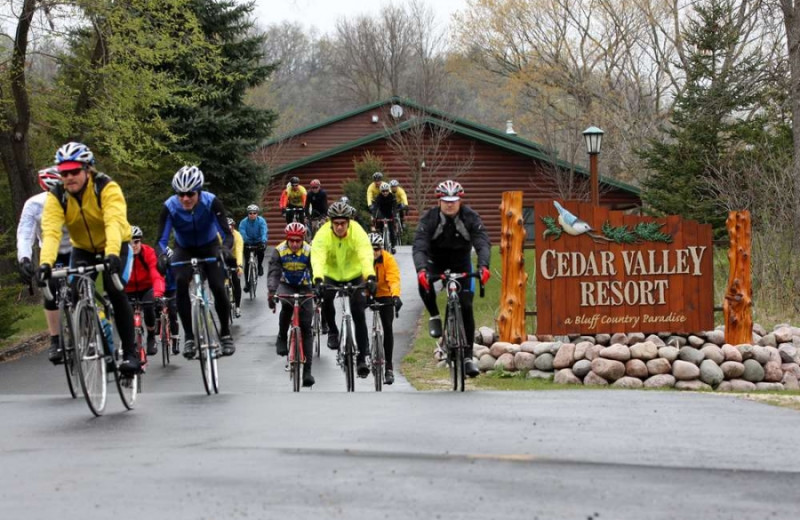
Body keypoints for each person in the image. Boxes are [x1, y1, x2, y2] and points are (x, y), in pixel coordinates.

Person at [37, 142, 141, 375]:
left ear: (87, 169)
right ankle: (100, 345)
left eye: (75, 171)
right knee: (74, 294)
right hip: (83, 248)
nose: (70, 177)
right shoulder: (57, 196)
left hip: (116, 244)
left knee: (115, 292)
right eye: (64, 172)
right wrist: (45, 263)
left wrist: (113, 253)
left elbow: (113, 222)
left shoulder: (106, 187)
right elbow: (51, 232)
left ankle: (131, 353)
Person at [412, 180, 491, 379]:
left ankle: (467, 357)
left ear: (460, 200)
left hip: (461, 263)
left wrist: (484, 266)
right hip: (434, 261)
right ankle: (435, 316)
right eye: (445, 200)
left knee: (466, 305)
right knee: (423, 282)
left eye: (454, 200)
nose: (450, 204)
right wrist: (421, 269)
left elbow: (482, 242)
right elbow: (419, 245)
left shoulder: (470, 217)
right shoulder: (430, 218)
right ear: (439, 200)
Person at [156, 165, 236, 358]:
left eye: (190, 193)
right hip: (183, 248)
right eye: (180, 194)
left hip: (210, 245)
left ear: (198, 191)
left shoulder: (211, 202)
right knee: (181, 283)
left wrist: (225, 249)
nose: (185, 198)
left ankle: (225, 334)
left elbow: (227, 233)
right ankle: (190, 338)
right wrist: (161, 255)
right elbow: (161, 240)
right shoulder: (170, 206)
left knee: (218, 286)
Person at [311, 200, 377, 378]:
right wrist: (317, 279)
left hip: (354, 273)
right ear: (330, 223)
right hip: (330, 273)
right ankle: (332, 330)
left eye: (343, 223)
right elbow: (317, 257)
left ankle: (362, 358)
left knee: (358, 313)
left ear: (349, 222)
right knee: (325, 296)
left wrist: (370, 276)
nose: (339, 227)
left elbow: (365, 253)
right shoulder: (323, 234)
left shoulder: (357, 232)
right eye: (336, 223)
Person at [16, 167, 73, 364]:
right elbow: (25, 234)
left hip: (77, 249)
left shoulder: (77, 197)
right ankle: (55, 340)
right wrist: (24, 258)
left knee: (82, 286)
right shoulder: (34, 204)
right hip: (51, 252)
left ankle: (88, 324)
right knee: (51, 292)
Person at [267, 222, 315, 387]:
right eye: (291, 241)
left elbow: (316, 271)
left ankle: (307, 371)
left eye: (298, 241)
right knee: (286, 305)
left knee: (307, 327)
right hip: (286, 283)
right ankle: (281, 336)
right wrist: (272, 292)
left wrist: (318, 290)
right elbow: (273, 273)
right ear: (287, 239)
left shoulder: (309, 251)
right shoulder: (279, 251)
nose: (294, 244)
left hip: (304, 285)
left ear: (303, 239)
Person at [125, 226, 165, 356]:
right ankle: (133, 338)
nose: (134, 245)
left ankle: (151, 336)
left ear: (140, 241)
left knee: (149, 308)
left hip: (146, 287)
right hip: (128, 289)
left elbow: (155, 273)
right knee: (126, 315)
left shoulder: (148, 252)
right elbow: (117, 276)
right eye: (130, 243)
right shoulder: (123, 255)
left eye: (136, 242)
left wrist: (158, 293)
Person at [368, 233, 402, 385]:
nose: (374, 252)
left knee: (388, 327)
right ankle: (361, 353)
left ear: (381, 249)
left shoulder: (388, 259)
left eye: (377, 249)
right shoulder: (362, 259)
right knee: (356, 316)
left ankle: (388, 367)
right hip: (366, 291)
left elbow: (393, 278)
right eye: (371, 249)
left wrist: (395, 296)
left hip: (384, 294)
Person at [157, 247, 181, 355]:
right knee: (154, 306)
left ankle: (175, 340)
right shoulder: (156, 262)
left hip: (172, 289)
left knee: (172, 312)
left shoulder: (173, 264)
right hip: (160, 289)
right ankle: (158, 325)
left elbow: (179, 277)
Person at [238, 204, 267, 293]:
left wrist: (263, 241)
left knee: (261, 251)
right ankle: (247, 284)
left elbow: (264, 231)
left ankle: (259, 265)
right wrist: (246, 240)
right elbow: (242, 232)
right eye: (250, 213)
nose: (252, 215)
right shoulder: (243, 222)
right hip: (247, 242)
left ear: (257, 213)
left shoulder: (261, 221)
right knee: (247, 263)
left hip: (258, 241)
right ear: (248, 214)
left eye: (254, 213)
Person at [369, 182, 398, 254]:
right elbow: (376, 208)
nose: (385, 193)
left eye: (386, 191)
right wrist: (374, 217)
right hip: (381, 214)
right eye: (383, 191)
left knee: (391, 230)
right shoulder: (378, 197)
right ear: (381, 191)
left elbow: (394, 208)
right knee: (380, 228)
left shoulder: (392, 197)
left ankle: (393, 246)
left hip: (390, 214)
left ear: (389, 190)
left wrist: (394, 216)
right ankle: (381, 242)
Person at [227, 217, 244, 318]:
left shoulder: (237, 236)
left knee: (236, 281)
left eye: (231, 228)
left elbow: (238, 251)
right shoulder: (218, 235)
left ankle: (237, 307)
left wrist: (239, 266)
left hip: (234, 258)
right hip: (223, 257)